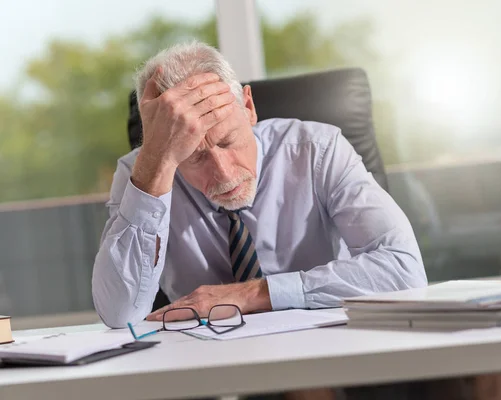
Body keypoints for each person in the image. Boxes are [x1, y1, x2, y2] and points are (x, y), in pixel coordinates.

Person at [91, 41, 427, 329]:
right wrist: (157, 162)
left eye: (228, 142)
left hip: (325, 343)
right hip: (218, 362)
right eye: (193, 157)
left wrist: (252, 295)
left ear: (249, 107)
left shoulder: (317, 150)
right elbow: (119, 313)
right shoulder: (143, 173)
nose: (224, 173)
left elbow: (404, 269)